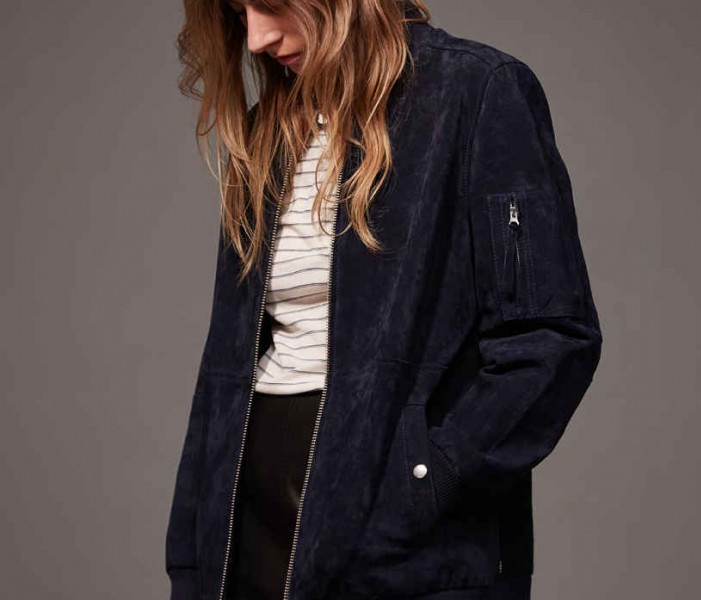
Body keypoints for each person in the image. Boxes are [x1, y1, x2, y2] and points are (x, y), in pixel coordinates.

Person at [165, 1, 603, 599]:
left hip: (405, 533)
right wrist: (191, 549)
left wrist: (429, 476)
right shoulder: (271, 128)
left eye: (271, 5)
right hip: (248, 512)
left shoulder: (475, 93)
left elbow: (550, 337)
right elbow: (225, 363)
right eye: (241, 14)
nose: (258, 39)